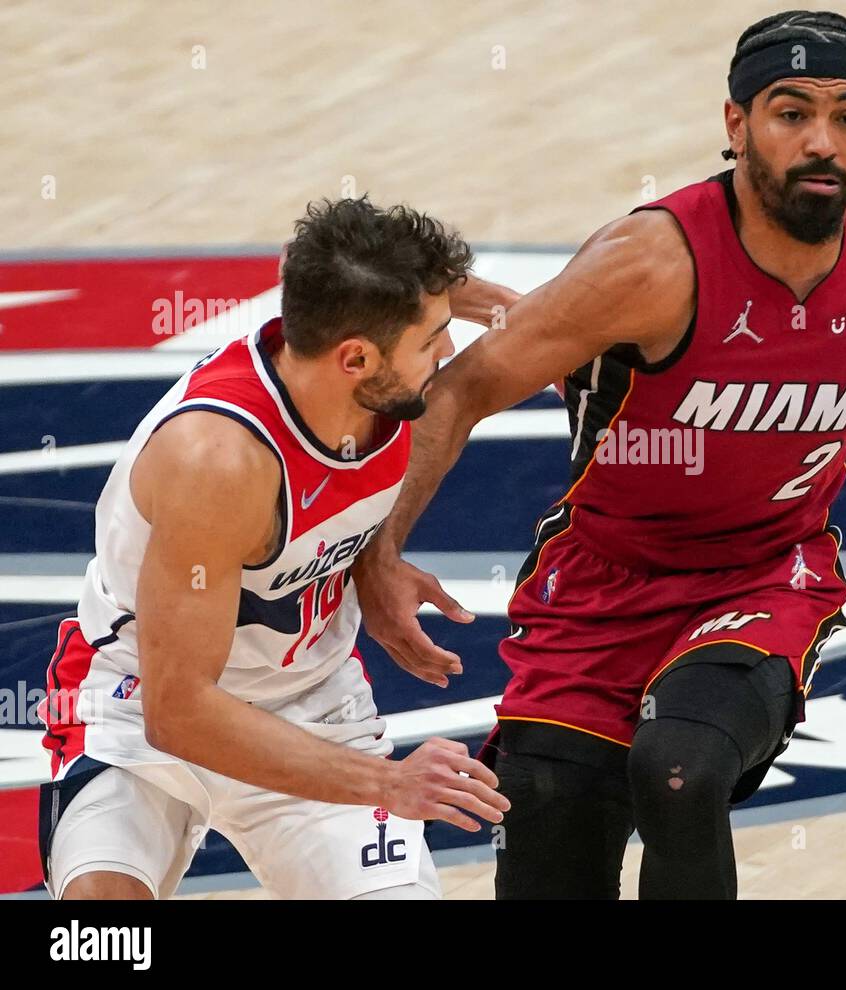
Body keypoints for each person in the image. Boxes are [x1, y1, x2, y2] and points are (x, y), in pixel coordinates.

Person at [354, 10, 846, 899]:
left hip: (766, 579)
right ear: (736, 126)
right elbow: (457, 390)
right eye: (791, 112)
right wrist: (382, 554)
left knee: (678, 772)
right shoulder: (648, 264)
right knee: (547, 823)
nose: (822, 141)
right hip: (602, 583)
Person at [38, 197, 512, 900]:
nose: (448, 350)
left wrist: (376, 558)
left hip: (311, 706)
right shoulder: (216, 462)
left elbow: (334, 260)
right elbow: (181, 712)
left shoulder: (353, 339)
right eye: (432, 337)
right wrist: (390, 782)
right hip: (144, 707)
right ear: (357, 357)